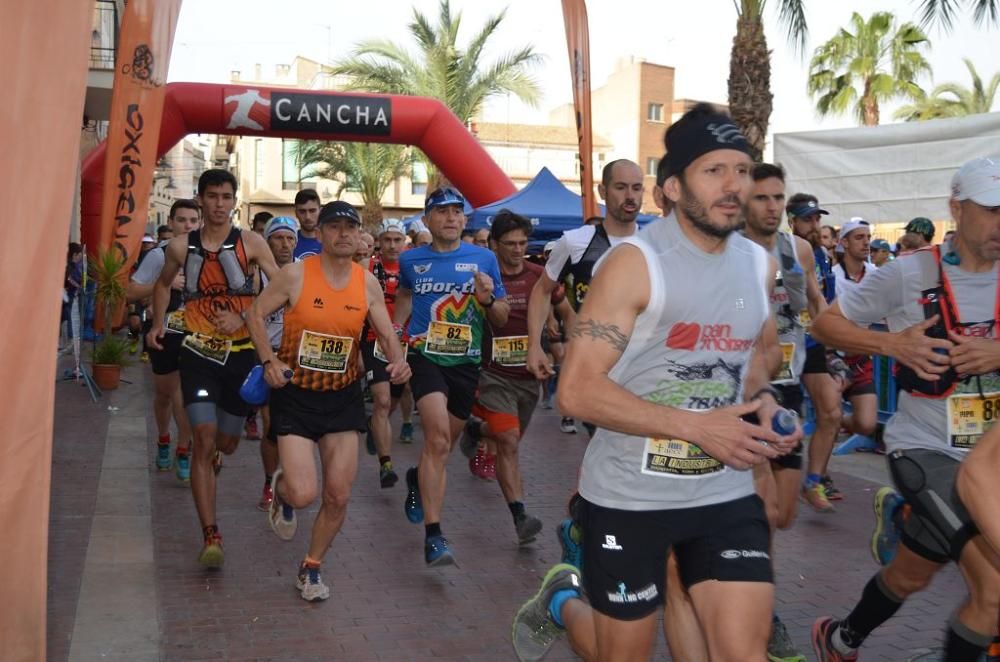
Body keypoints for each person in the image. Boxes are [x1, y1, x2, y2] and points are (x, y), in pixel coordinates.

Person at [512, 104, 800, 662]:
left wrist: (762, 406)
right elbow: (576, 391)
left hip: (722, 491)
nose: (733, 185)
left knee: (743, 651)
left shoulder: (758, 266)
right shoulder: (634, 264)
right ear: (672, 186)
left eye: (742, 170)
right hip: (629, 497)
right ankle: (563, 601)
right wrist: (696, 427)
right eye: (713, 171)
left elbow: (757, 361)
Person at [809, 156, 1000, 662]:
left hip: (992, 456)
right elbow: (826, 327)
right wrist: (893, 346)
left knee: (911, 573)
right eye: (992, 210)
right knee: (994, 591)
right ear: (957, 208)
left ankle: (841, 638)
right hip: (927, 448)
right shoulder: (908, 274)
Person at [246, 200, 410, 601]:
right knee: (305, 495)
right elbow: (254, 314)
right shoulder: (294, 275)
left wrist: (399, 361)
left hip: (342, 399)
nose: (341, 234)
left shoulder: (365, 282)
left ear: (358, 237)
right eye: (333, 227)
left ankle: (311, 567)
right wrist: (268, 361)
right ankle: (283, 494)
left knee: (338, 495)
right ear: (318, 234)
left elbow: (386, 332)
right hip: (296, 395)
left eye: (348, 228)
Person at [146, 169, 279, 568]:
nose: (220, 204)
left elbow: (278, 287)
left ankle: (216, 456)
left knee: (226, 442)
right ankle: (210, 534)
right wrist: (157, 323)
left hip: (241, 355)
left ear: (233, 201)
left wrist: (245, 318)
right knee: (203, 437)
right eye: (213, 196)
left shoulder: (251, 243)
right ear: (200, 200)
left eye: (226, 196)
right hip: (197, 352)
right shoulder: (179, 247)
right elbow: (163, 284)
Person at [393, 186, 509, 566]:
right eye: (442, 212)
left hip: (466, 362)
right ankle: (435, 535)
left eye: (457, 212)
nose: (451, 218)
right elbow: (405, 297)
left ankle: (416, 478)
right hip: (425, 356)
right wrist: (395, 335)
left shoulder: (484, 258)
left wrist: (488, 299)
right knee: (438, 440)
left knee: (440, 449)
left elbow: (501, 317)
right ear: (427, 219)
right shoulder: (412, 260)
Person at [741, 162, 827, 661]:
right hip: (746, 390)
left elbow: (818, 306)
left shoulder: (800, 250)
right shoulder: (729, 252)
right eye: (762, 198)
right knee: (763, 513)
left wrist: (836, 351)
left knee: (785, 514)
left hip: (789, 386)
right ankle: (761, 614)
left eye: (778, 198)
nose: (772, 207)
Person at [526, 159, 645, 437]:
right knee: (608, 444)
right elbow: (542, 290)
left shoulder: (656, 245)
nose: (630, 196)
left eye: (637, 188)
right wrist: (534, 346)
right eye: (621, 187)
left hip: (642, 367)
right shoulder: (576, 241)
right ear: (603, 191)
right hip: (596, 368)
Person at [460, 210, 552, 543]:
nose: (517, 249)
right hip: (492, 374)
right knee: (509, 441)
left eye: (523, 243)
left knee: (506, 439)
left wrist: (560, 337)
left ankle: (475, 428)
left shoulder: (540, 276)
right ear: (494, 244)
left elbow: (564, 311)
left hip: (529, 376)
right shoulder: (483, 277)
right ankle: (520, 516)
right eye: (510, 244)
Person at [128, 199, 201, 482]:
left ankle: (183, 450)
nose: (187, 226)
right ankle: (163, 439)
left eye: (193, 220)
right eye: (182, 220)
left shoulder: (208, 254)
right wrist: (165, 284)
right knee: (164, 395)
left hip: (196, 333)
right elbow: (130, 292)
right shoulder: (159, 255)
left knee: (184, 395)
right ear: (171, 223)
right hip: (163, 330)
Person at [787, 193, 845, 513]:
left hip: (813, 343)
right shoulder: (775, 250)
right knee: (786, 418)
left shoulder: (821, 254)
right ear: (791, 221)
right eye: (807, 219)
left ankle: (814, 481)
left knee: (832, 412)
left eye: (817, 219)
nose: (814, 225)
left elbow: (823, 301)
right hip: (781, 346)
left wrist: (837, 341)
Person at [254, 216, 298, 511]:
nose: (284, 244)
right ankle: (270, 480)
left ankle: (289, 480)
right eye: (277, 238)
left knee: (292, 426)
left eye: (289, 239)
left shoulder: (306, 274)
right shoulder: (256, 275)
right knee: (271, 424)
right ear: (267, 242)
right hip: (264, 355)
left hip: (297, 358)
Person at [361, 218, 409, 488]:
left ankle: (375, 427)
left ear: (404, 242)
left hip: (403, 345)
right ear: (379, 241)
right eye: (387, 240)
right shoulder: (367, 267)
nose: (392, 245)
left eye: (397, 240)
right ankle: (386, 464)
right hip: (373, 340)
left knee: (391, 403)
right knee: (381, 401)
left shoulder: (412, 269)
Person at [831, 218, 879, 447]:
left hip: (861, 358)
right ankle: (819, 476)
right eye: (859, 237)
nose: (866, 242)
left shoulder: (876, 274)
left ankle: (836, 421)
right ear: (845, 243)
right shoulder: (832, 276)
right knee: (826, 418)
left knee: (867, 424)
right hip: (832, 358)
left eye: (868, 237)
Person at [292, 189, 322, 260]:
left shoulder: (330, 241)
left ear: (320, 211)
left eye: (312, 211)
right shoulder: (288, 241)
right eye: (302, 211)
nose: (307, 217)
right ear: (296, 213)